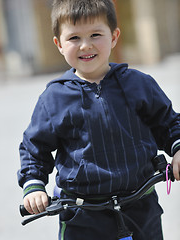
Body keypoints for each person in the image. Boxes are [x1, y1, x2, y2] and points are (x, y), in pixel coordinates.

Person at [17, 0, 180, 239]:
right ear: (59, 44)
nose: (85, 45)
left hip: (140, 205)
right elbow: (34, 148)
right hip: (82, 213)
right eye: (74, 38)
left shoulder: (138, 84)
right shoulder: (54, 98)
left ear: (114, 37)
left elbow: (168, 123)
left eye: (95, 34)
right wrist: (33, 185)